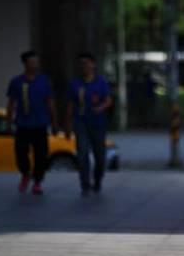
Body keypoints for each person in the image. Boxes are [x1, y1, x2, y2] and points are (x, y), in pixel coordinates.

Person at [6, 50, 57, 195]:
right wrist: (9, 123)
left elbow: (50, 103)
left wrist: (54, 123)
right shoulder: (16, 82)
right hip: (22, 124)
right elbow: (11, 104)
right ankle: (25, 174)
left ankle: (37, 182)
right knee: (21, 153)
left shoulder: (44, 81)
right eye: (32, 62)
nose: (35, 65)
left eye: (36, 62)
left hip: (40, 124)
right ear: (25, 64)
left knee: (41, 155)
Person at [66, 52, 112, 195]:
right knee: (82, 153)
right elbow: (70, 106)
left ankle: (97, 180)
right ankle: (85, 184)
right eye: (81, 63)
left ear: (93, 65)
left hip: (98, 124)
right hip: (80, 123)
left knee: (100, 156)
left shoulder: (101, 82)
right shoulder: (75, 84)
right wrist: (67, 126)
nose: (84, 66)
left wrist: (101, 107)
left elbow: (108, 100)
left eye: (86, 63)